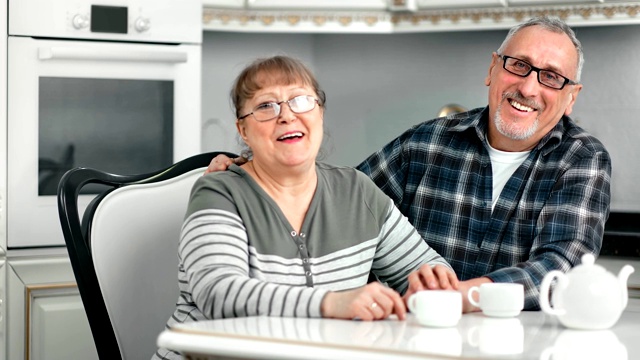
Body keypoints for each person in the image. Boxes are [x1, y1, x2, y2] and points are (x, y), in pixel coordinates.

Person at [207, 16, 611, 313]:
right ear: (493, 69)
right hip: (418, 342)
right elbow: (338, 199)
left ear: (571, 97)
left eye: (551, 77)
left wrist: (460, 296)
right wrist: (259, 170)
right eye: (518, 65)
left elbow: (561, 269)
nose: (528, 86)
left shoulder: (581, 160)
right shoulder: (427, 142)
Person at [153, 56, 457, 360]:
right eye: (265, 106)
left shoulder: (356, 190)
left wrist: (432, 282)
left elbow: (426, 269)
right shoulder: (219, 192)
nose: (286, 115)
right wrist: (332, 304)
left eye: (300, 100)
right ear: (243, 130)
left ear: (320, 113)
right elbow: (220, 293)